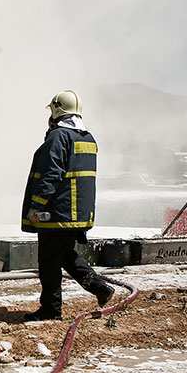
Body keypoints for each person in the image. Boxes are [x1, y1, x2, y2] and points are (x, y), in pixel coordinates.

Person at [20, 90, 113, 320]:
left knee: (48, 261)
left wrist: (36, 206)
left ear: (56, 112)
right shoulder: (87, 138)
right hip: (77, 213)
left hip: (56, 213)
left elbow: (50, 175)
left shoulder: (59, 137)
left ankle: (51, 310)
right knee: (66, 256)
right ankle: (100, 288)